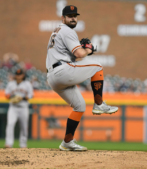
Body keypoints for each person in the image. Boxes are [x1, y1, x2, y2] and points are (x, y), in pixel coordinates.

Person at [46, 5, 118, 151]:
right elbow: (79, 54)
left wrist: (84, 51)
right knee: (98, 66)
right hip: (62, 71)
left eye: (75, 15)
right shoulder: (67, 30)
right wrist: (88, 49)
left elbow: (74, 55)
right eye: (69, 15)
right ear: (63, 18)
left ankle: (67, 141)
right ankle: (99, 104)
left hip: (53, 77)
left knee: (79, 106)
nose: (73, 18)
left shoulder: (58, 31)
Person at [4, 69, 33, 148]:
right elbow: (6, 94)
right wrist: (13, 97)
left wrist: (21, 98)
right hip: (13, 107)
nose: (18, 76)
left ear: (23, 75)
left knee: (24, 126)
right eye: (17, 74)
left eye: (20, 74)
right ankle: (8, 143)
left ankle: (23, 144)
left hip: (23, 107)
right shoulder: (11, 84)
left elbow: (31, 95)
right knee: (10, 124)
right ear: (15, 75)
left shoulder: (27, 84)